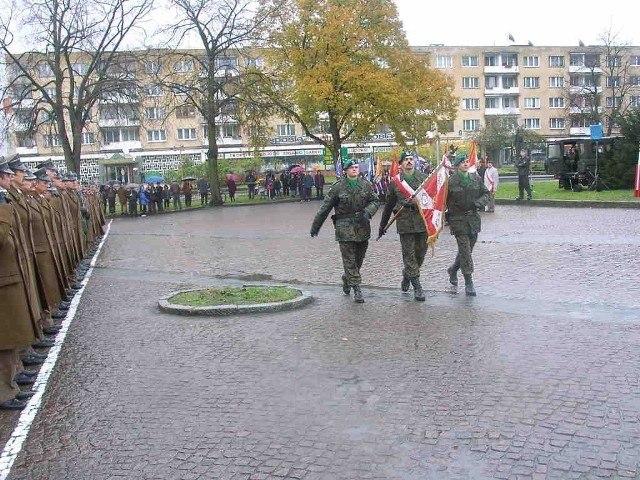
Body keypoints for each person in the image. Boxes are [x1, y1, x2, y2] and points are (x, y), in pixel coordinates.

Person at [310, 159, 379, 303]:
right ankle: (357, 289)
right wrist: (316, 226)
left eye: (356, 167)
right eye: (351, 167)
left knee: (358, 260)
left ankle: (348, 278)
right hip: (344, 228)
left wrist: (368, 212)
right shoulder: (338, 187)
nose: (354, 169)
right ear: (345, 170)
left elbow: (375, 201)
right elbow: (325, 208)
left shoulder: (365, 185)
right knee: (349, 260)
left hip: (362, 227)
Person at [378, 151, 429, 301]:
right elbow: (389, 205)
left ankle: (408, 275)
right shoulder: (395, 182)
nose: (409, 162)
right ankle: (417, 287)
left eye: (411, 159)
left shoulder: (423, 178)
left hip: (421, 222)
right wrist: (383, 224)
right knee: (409, 255)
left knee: (420, 255)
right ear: (400, 164)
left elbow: (430, 198)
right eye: (405, 160)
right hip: (405, 223)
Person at [446, 152, 489, 296]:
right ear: (457, 165)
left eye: (466, 161)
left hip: (473, 220)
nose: (465, 164)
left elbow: (486, 193)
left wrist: (478, 204)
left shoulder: (475, 178)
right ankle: (469, 281)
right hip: (458, 220)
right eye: (462, 162)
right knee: (465, 250)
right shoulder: (451, 182)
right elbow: (444, 201)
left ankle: (453, 269)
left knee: (467, 251)